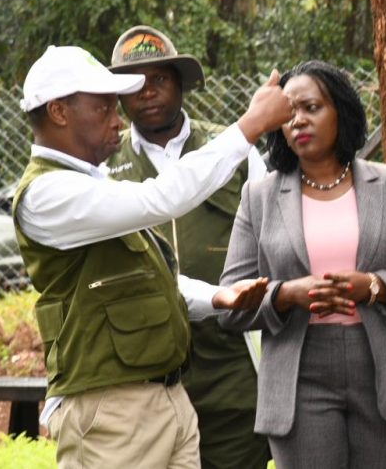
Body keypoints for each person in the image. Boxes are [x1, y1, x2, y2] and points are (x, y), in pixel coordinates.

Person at [12, 45, 292, 468]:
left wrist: (217, 298)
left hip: (163, 398)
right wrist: (249, 126)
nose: (118, 118)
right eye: (104, 107)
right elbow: (159, 198)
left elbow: (151, 278)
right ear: (59, 112)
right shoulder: (47, 193)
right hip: (112, 406)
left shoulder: (92, 184)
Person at [217, 60, 386, 469]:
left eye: (311, 107)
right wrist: (285, 294)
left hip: (381, 372)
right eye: (288, 113)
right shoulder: (258, 197)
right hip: (298, 375)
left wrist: (375, 287)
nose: (298, 121)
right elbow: (230, 302)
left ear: (340, 112)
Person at [103, 25, 269, 469]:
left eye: (159, 78)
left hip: (232, 360)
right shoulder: (101, 162)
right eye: (134, 83)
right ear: (119, 96)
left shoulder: (232, 148)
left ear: (180, 83)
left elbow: (273, 236)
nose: (148, 92)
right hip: (141, 367)